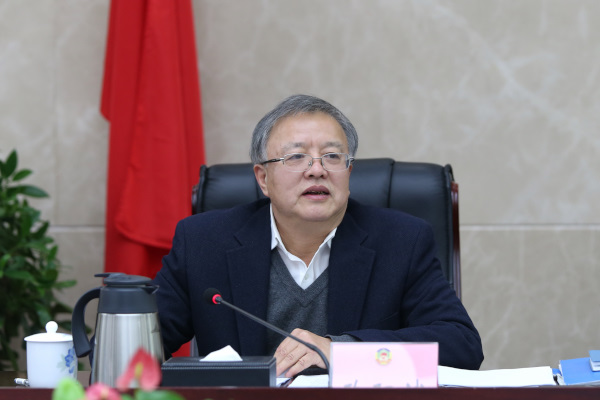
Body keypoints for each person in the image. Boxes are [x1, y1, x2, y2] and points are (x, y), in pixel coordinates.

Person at [153, 94, 484, 377]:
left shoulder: (401, 241)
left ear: (349, 172)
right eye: (296, 156)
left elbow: (461, 347)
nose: (316, 169)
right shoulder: (203, 242)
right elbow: (140, 347)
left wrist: (340, 351)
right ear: (263, 179)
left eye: (332, 156)